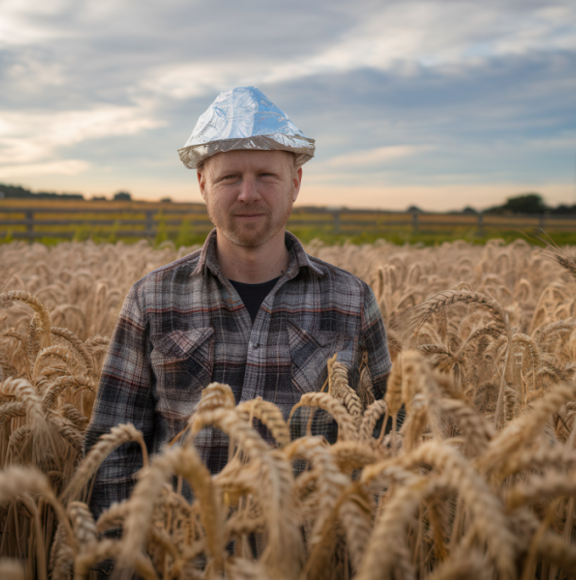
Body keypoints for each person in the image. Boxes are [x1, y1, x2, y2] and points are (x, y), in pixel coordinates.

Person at [83, 86, 391, 518]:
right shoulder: (152, 299)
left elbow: (388, 438)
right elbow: (113, 447)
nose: (248, 194)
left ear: (296, 183)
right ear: (203, 184)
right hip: (180, 556)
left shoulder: (351, 300)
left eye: (266, 175)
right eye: (230, 178)